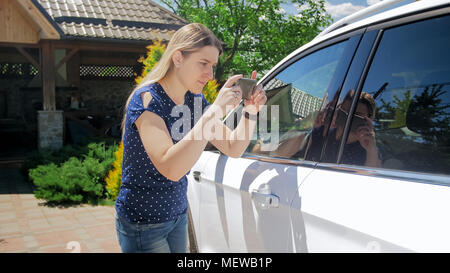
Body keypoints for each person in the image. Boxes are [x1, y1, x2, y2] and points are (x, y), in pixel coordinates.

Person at [115, 23, 267, 253]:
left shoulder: (193, 101)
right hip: (143, 224)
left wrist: (250, 112)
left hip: (177, 215)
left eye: (213, 66)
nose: (210, 74)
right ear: (178, 58)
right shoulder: (147, 100)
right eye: (203, 63)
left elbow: (233, 148)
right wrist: (215, 111)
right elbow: (171, 168)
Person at [306, 90, 381, 168]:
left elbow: (372, 177)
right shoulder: (321, 132)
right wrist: (306, 125)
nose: (348, 119)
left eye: (356, 116)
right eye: (344, 113)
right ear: (338, 110)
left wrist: (371, 151)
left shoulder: (369, 150)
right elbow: (294, 151)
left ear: (369, 119)